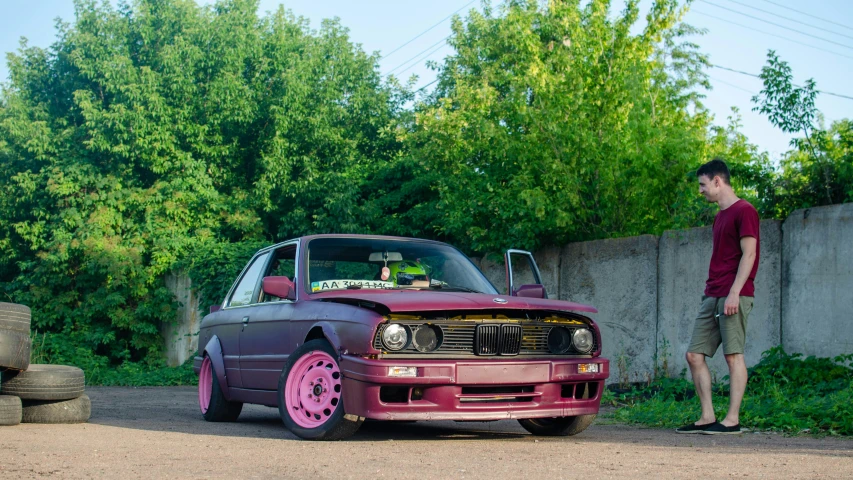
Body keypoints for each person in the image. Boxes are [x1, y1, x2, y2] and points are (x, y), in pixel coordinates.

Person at [676, 158, 760, 435]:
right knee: (693, 355)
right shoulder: (719, 216)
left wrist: (735, 292)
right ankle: (707, 416)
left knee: (733, 356)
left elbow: (749, 254)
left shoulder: (744, 211)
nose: (700, 190)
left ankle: (732, 420)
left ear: (717, 181)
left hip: (734, 293)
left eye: (702, 184)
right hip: (712, 292)